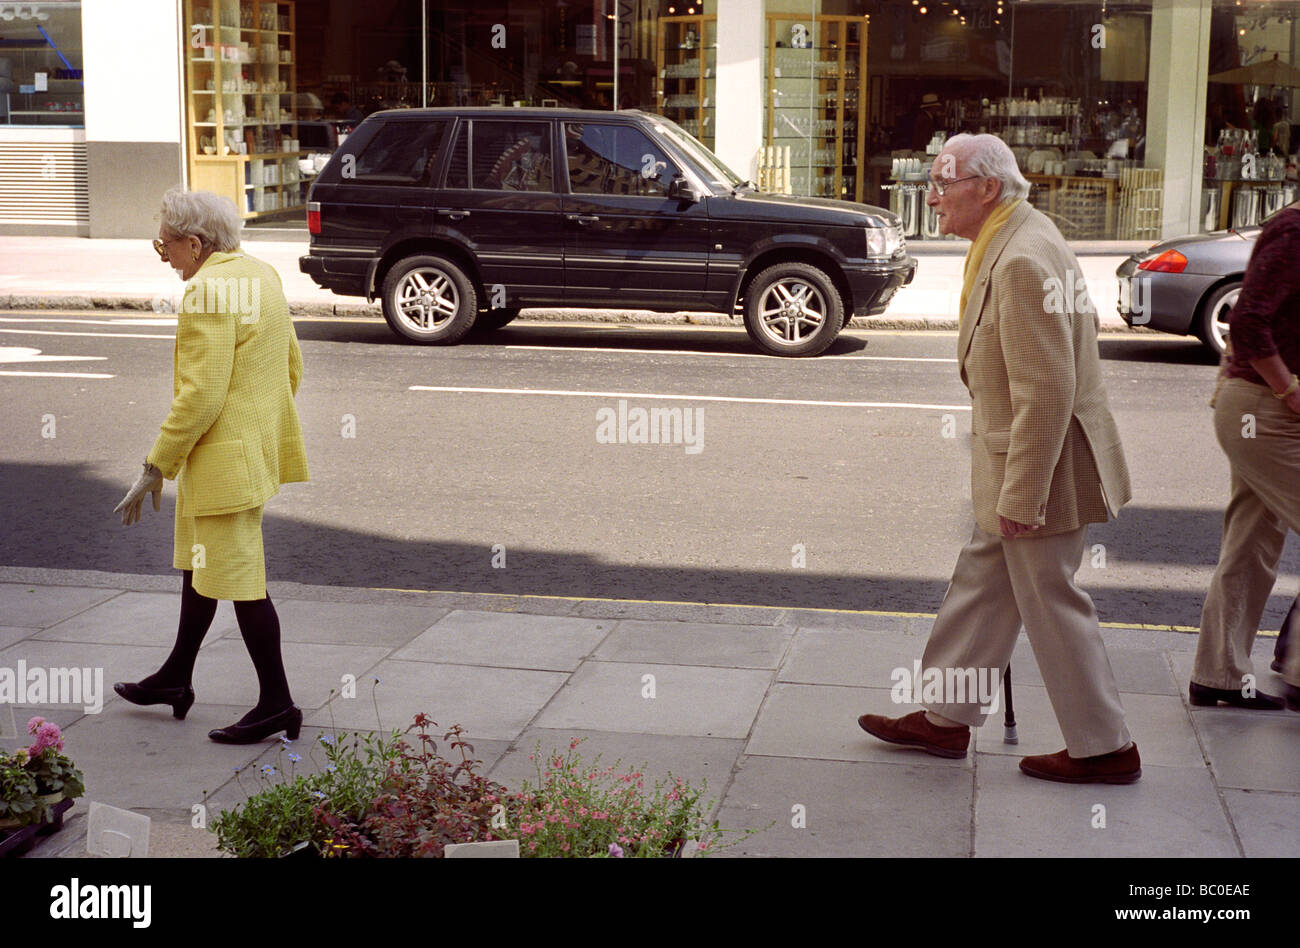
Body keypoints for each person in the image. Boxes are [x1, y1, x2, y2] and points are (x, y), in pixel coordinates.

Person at [857, 133, 1140, 783]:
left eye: (942, 184)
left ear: (986, 189)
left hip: (1043, 469)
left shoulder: (1020, 259)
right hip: (1020, 461)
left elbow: (1046, 391)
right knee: (985, 584)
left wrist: (1022, 497)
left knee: (1050, 600)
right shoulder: (1010, 235)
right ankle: (946, 718)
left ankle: (1106, 748)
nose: (932, 198)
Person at [113, 188, 310, 744]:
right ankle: (176, 677)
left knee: (243, 582)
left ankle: (278, 703)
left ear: (194, 244)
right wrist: (261, 429)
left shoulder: (205, 292)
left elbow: (199, 396)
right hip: (251, 452)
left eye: (165, 245)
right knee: (201, 562)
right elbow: (293, 365)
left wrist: (156, 464)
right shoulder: (259, 273)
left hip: (223, 460)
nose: (164, 256)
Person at [1191, 194, 1300, 711]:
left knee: (1251, 545)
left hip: (1266, 409)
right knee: (1252, 544)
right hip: (1264, 411)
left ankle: (1219, 675)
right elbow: (1248, 319)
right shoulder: (1295, 231)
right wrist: (1289, 390)